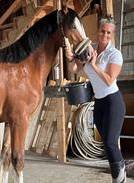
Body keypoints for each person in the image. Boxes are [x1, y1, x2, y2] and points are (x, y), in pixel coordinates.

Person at [66, 17, 126, 183]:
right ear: (97, 31)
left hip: (114, 102)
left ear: (112, 35)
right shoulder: (88, 48)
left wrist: (93, 64)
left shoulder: (115, 54)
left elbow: (109, 80)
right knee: (107, 145)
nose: (105, 35)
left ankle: (119, 178)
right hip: (98, 102)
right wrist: (71, 58)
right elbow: (76, 70)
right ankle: (120, 169)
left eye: (108, 32)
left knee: (110, 142)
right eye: (102, 31)